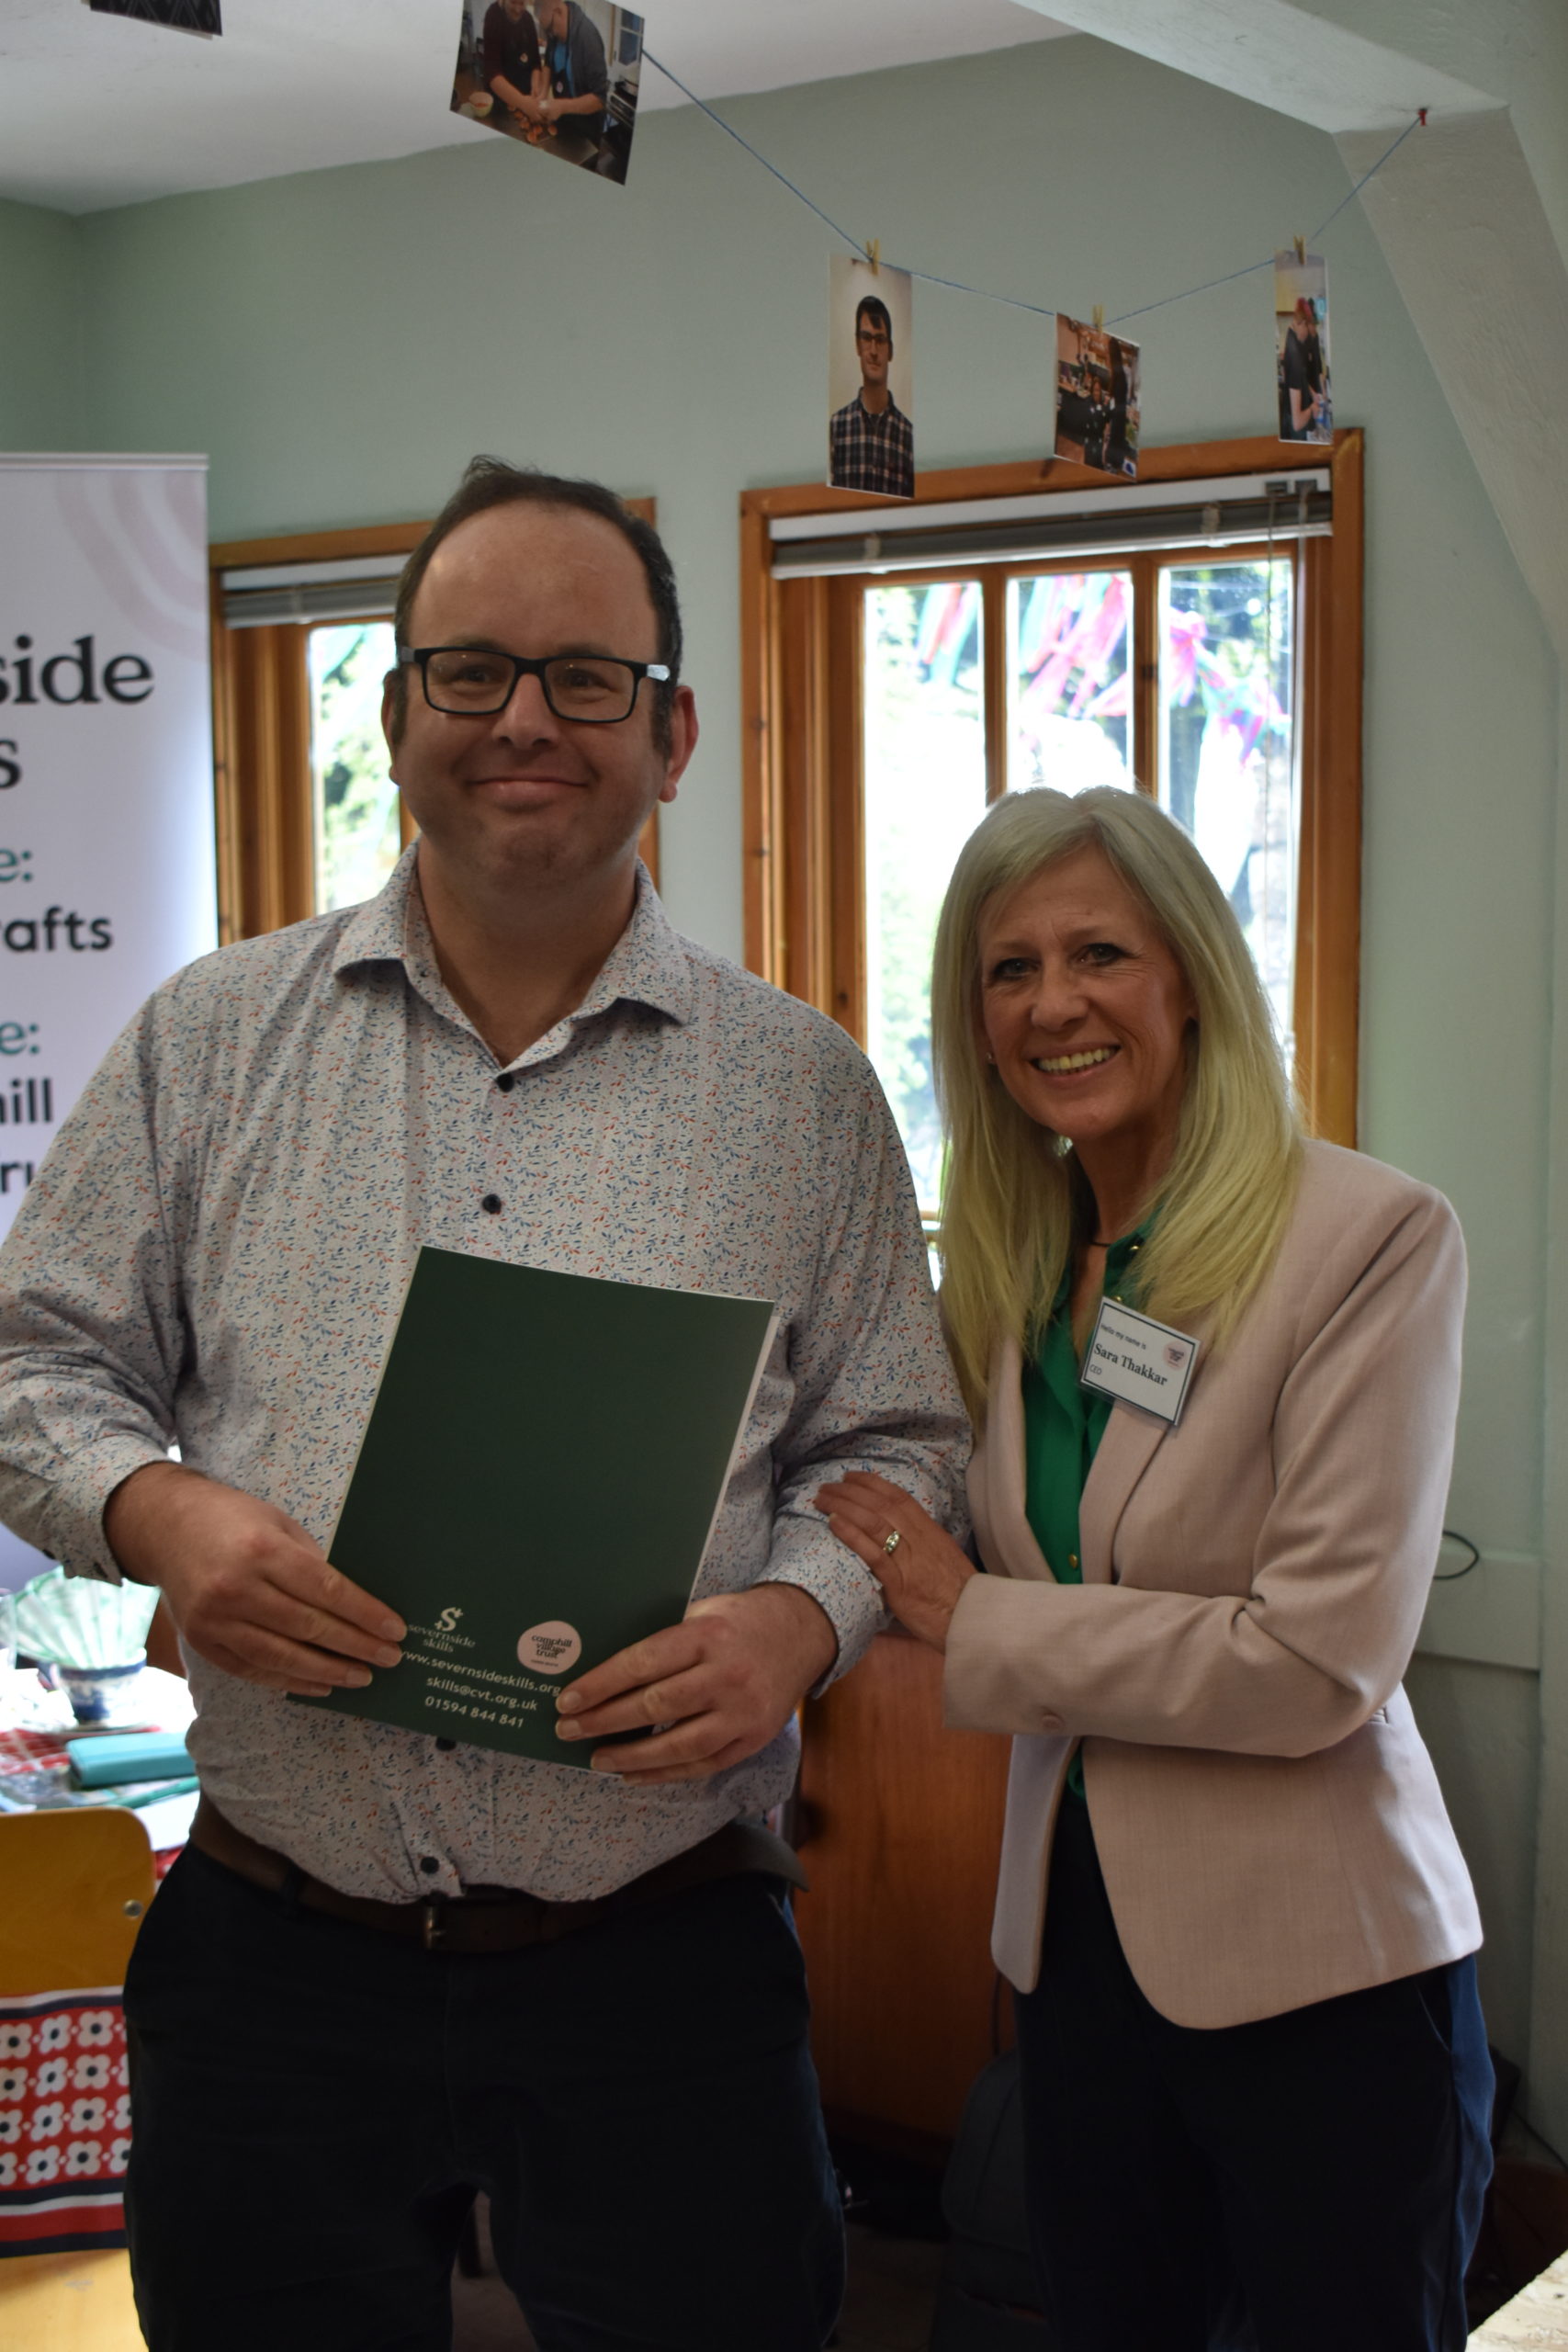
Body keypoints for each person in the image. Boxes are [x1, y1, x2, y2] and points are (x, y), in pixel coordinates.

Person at [0, 459, 967, 2352]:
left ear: (673, 730)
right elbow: (37, 1359)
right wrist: (160, 1515)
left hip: (660, 1957)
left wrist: (793, 1621)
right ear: (394, 712)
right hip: (278, 1948)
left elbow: (892, 1444)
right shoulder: (209, 1039)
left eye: (584, 675)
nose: (524, 715)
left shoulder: (801, 1090)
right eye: (468, 669)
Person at [817, 786, 1492, 2352]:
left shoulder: (1366, 1237)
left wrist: (973, 1619)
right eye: (1006, 969)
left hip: (1324, 1980)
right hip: (1077, 1971)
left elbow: (1318, 1663)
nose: (1052, 1003)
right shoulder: (1005, 1269)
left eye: (1098, 952)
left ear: (1188, 975)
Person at [829, 293, 915, 500]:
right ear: (857, 345)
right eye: (867, 338)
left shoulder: (908, 435)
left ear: (890, 350)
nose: (873, 351)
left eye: (880, 339)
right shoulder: (837, 427)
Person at [538, 0, 608, 141]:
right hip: (563, 119)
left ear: (558, 12)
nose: (550, 35)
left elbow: (600, 99)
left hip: (586, 129)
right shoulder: (554, 33)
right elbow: (548, 63)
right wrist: (543, 94)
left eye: (550, 30)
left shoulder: (588, 38)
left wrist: (562, 106)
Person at [481, 0, 547, 141]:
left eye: (522, 3)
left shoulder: (528, 19)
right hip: (500, 102)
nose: (518, 9)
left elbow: (535, 63)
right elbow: (492, 74)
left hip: (526, 99)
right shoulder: (493, 16)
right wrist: (523, 102)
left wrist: (535, 87)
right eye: (513, 2)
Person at [1280, 294, 1327, 439]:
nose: (1309, 336)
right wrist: (1312, 408)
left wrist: (1313, 393)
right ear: (1302, 324)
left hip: (1298, 411)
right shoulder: (1295, 355)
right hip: (1296, 422)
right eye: (1310, 328)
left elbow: (1302, 377)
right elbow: (1297, 423)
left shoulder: (1296, 341)